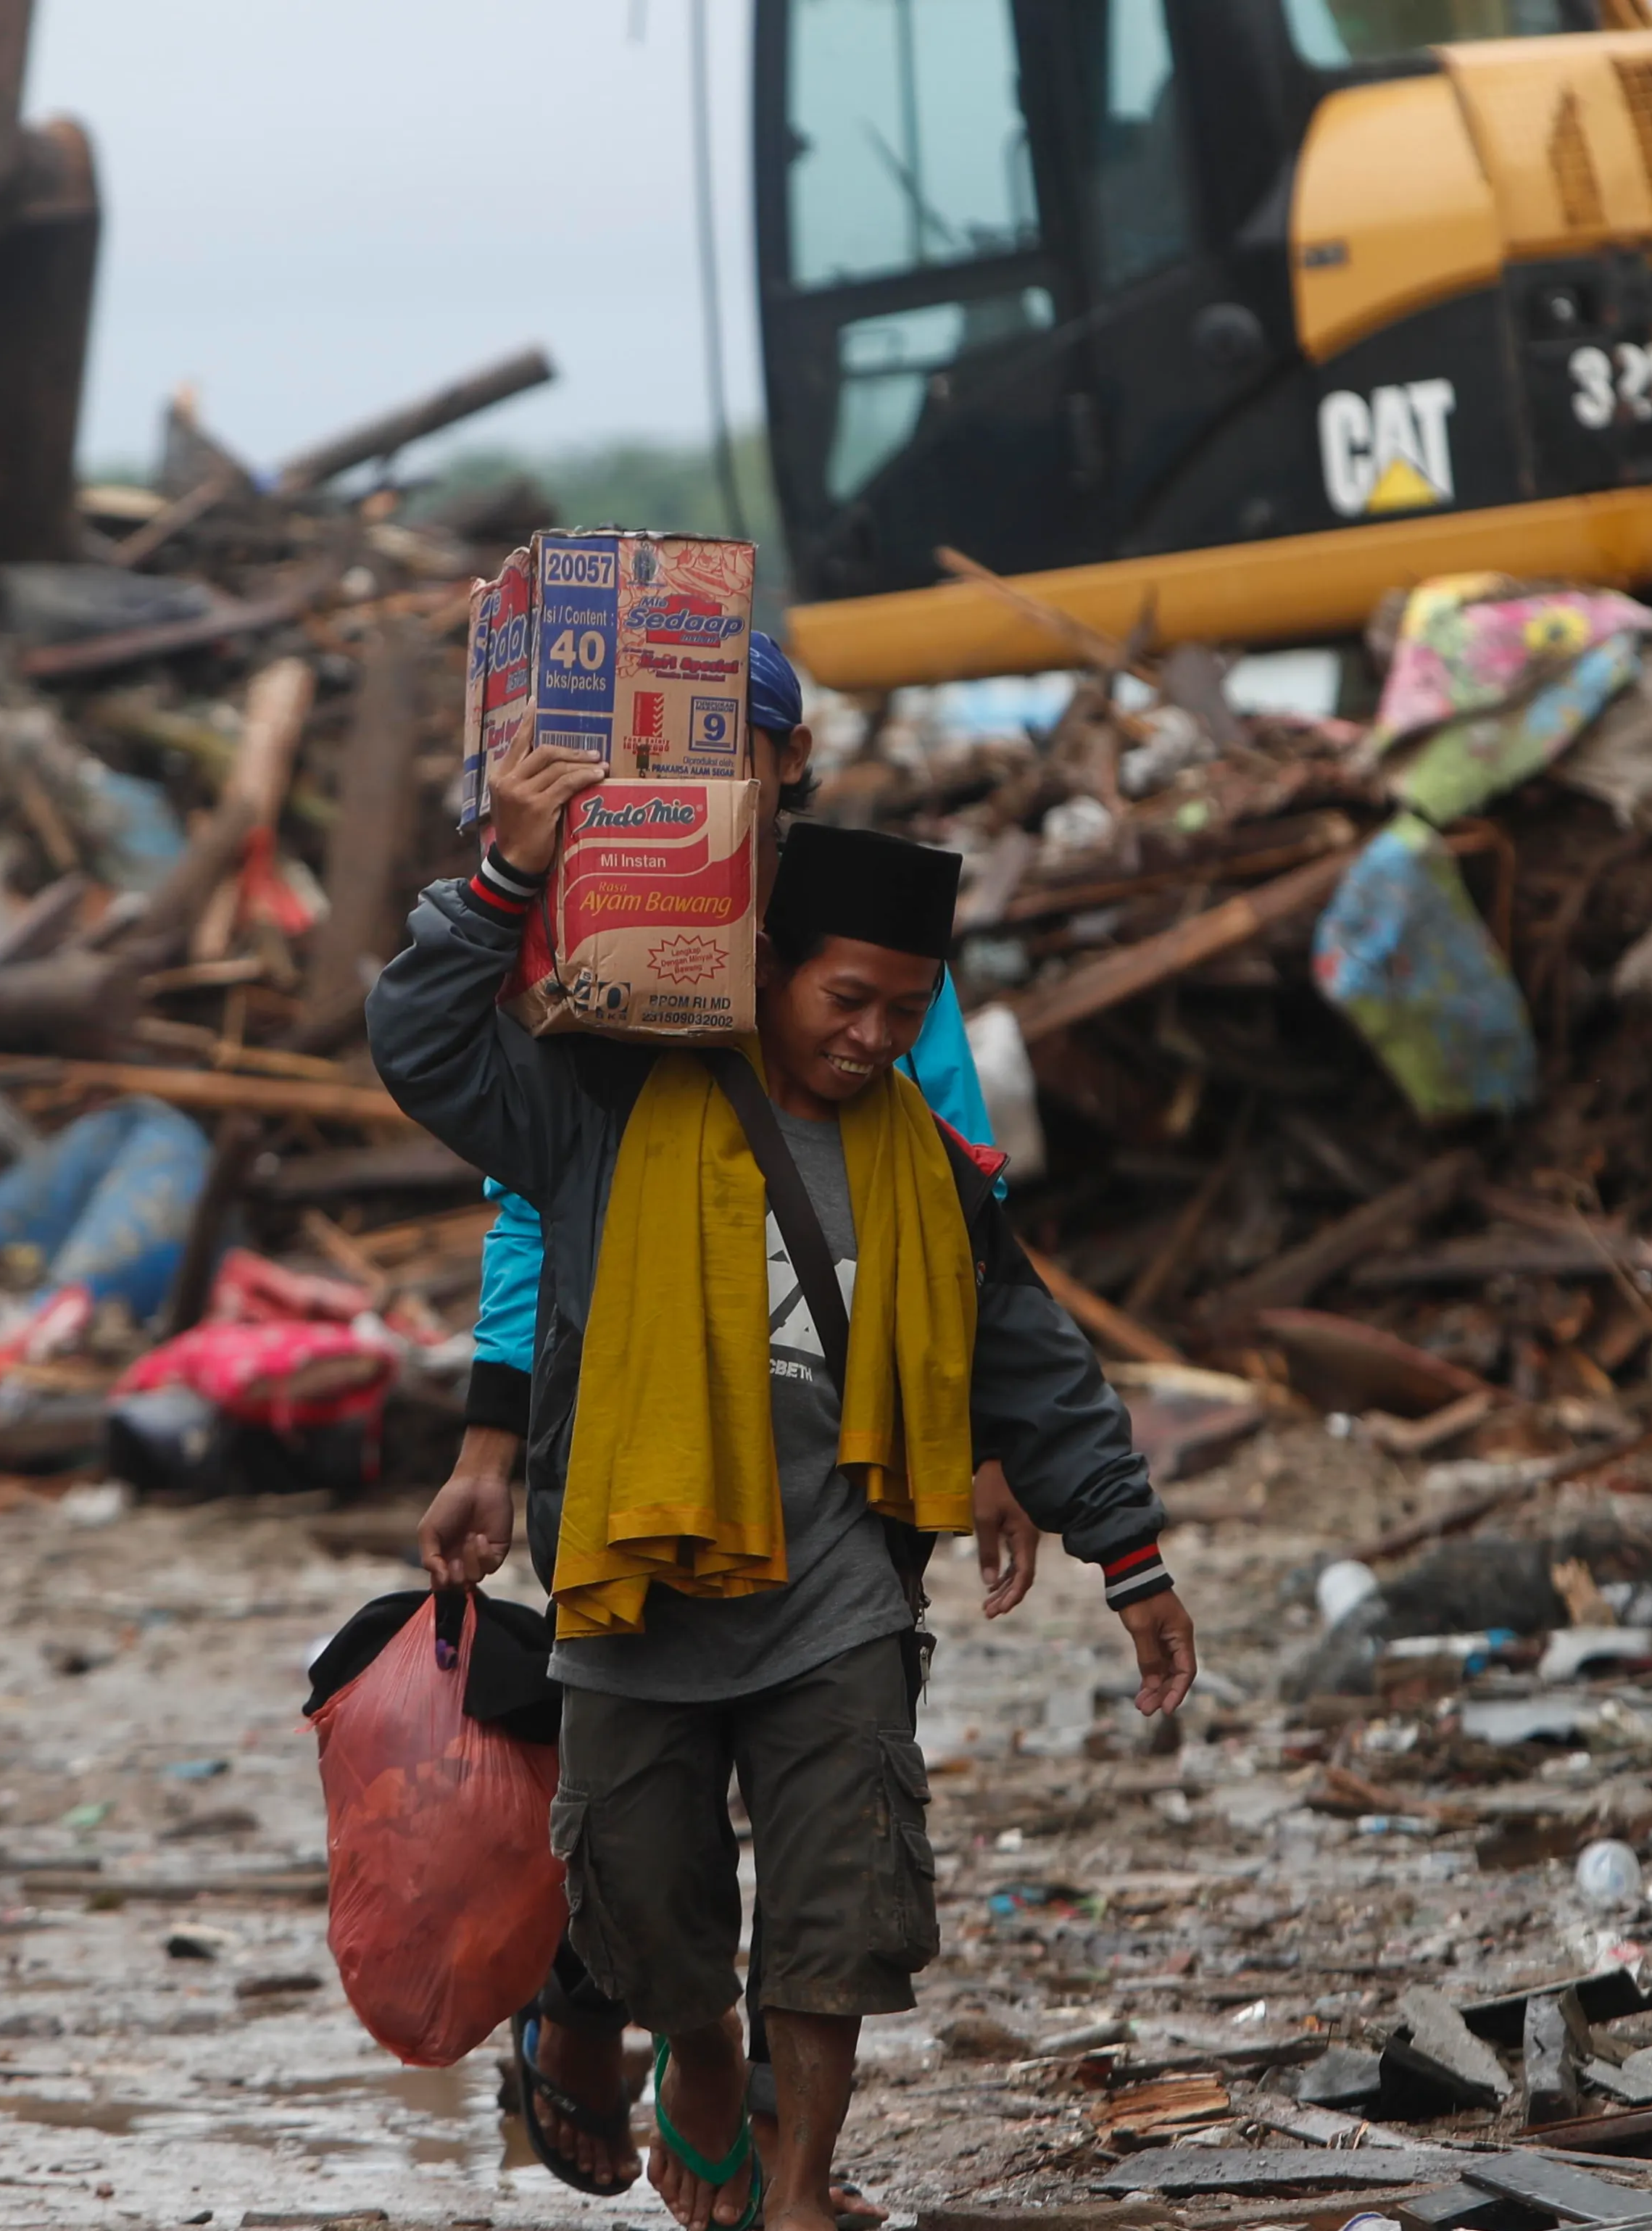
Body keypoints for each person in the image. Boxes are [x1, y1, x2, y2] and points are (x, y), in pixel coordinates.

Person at [375, 731, 1197, 2231]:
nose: (876, 1036)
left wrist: (1127, 1553)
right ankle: (697, 2055)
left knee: (842, 1901)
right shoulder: (602, 1106)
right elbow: (424, 1046)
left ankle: (800, 2187)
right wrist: (502, 879)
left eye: (905, 1009)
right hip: (633, 1593)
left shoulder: (929, 1168)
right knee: (641, 1900)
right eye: (846, 1000)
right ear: (763, 972)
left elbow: (1029, 1354)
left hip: (837, 1599)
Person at [435, 635, 1032, 2206]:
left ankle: (790, 2165)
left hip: (828, 1492)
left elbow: (952, 1201)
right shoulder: (607, 944)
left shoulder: (868, 942)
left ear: (782, 763)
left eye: (724, 756)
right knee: (637, 1828)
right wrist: (492, 1441)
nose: (692, 790)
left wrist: (972, 1441)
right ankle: (646, 2042)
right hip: (623, 1467)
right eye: (654, 765)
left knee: (833, 1829)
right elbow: (532, 1208)